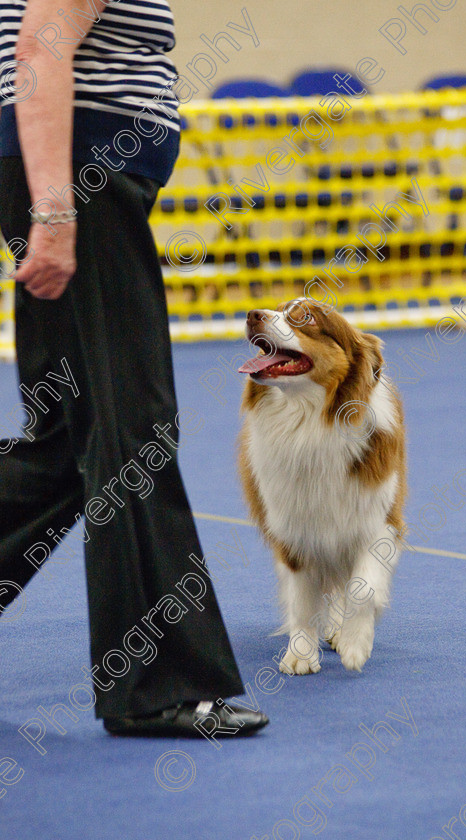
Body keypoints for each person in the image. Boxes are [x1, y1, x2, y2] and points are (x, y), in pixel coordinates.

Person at [0, 0, 268, 739]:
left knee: (66, 437)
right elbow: (42, 43)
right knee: (134, 429)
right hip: (82, 174)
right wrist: (55, 212)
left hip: (74, 166)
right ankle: (159, 685)